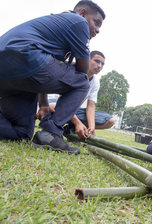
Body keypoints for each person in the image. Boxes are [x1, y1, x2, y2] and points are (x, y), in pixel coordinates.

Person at [0, 0, 105, 155]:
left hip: (12, 73)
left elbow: (47, 68)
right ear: (83, 13)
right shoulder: (78, 22)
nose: (97, 30)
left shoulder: (58, 28)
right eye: (96, 23)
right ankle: (51, 131)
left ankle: (45, 135)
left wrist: (43, 103)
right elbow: (83, 70)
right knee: (83, 81)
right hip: (26, 55)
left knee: (22, 133)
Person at [62, 50, 115, 138]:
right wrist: (77, 122)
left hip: (75, 110)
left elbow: (90, 106)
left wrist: (91, 127)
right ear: (87, 60)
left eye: (102, 64)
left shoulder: (95, 82)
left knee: (110, 121)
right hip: (58, 105)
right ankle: (73, 124)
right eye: (97, 61)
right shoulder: (72, 69)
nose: (99, 66)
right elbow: (63, 102)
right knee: (52, 105)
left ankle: (70, 129)